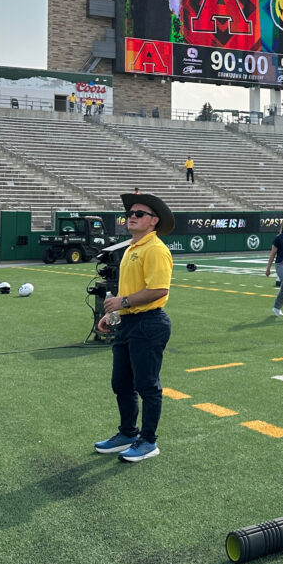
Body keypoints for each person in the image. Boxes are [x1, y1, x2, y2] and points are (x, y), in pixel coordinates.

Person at [94, 192, 175, 463]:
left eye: (139, 214)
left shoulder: (155, 249)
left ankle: (148, 441)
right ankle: (128, 433)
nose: (132, 217)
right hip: (129, 322)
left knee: (147, 386)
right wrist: (113, 313)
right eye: (130, 213)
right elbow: (130, 289)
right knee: (121, 383)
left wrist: (123, 302)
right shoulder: (132, 247)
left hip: (149, 322)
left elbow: (158, 289)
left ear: (154, 220)